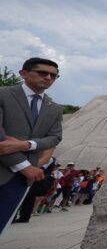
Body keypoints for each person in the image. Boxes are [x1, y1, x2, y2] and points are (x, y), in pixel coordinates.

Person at [0, 57, 64, 237]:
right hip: (17, 169)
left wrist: (27, 144)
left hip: (20, 180)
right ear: (23, 73)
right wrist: (23, 166)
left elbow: (55, 137)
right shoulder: (3, 94)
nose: (48, 78)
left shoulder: (55, 108)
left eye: (53, 75)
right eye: (42, 73)